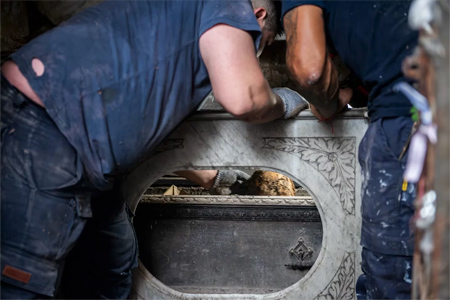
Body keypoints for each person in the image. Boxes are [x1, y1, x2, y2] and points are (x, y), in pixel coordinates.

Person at [1, 0, 310, 298]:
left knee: (112, 264)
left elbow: (149, 131)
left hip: (87, 155)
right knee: (22, 281)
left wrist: (214, 177)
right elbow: (244, 98)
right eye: (262, 41)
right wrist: (281, 102)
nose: (257, 51)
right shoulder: (228, 5)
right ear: (256, 15)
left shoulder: (173, 33)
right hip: (42, 127)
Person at [281, 1, 418, 299]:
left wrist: (326, 103)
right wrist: (353, 93)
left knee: (394, 280)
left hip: (412, 125)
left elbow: (310, 70)